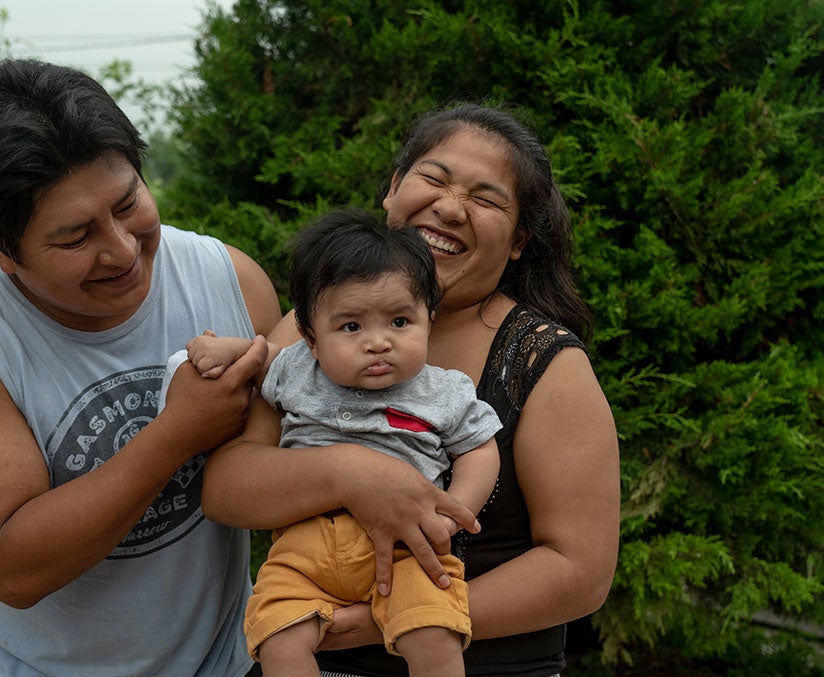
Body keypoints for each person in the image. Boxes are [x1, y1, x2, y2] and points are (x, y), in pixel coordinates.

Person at [200, 104, 621, 675]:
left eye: (486, 198)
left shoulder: (544, 362)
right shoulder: (317, 327)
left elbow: (580, 572)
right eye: (434, 178)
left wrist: (391, 620)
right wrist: (350, 472)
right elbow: (226, 489)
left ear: (519, 239)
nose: (450, 207)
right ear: (394, 189)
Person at [0, 58, 281, 676]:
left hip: (237, 662)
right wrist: (174, 435)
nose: (121, 249)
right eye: (75, 237)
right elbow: (14, 568)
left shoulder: (229, 279)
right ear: (0, 250)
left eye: (128, 202)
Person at [186, 207, 502, 676]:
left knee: (435, 630)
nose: (378, 343)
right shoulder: (299, 371)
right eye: (351, 327)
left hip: (407, 545)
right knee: (277, 635)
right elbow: (261, 356)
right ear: (312, 339)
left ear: (428, 319)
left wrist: (451, 513)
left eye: (399, 321)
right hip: (304, 549)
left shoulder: (444, 390)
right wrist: (225, 350)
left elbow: (479, 447)